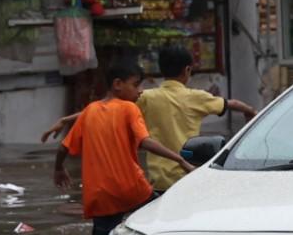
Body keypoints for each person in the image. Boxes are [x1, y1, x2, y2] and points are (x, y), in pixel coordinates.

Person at [41, 45, 258, 191]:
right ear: (188, 70)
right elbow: (231, 104)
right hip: (187, 177)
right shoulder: (198, 98)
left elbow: (101, 108)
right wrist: (251, 112)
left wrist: (67, 119)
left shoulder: (147, 98)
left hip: (157, 180)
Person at [53, 56, 195, 235]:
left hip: (100, 196)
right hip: (132, 189)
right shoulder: (129, 108)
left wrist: (58, 169)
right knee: (161, 227)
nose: (140, 91)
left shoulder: (89, 111)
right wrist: (180, 160)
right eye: (136, 85)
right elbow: (145, 142)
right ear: (118, 84)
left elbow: (63, 147)